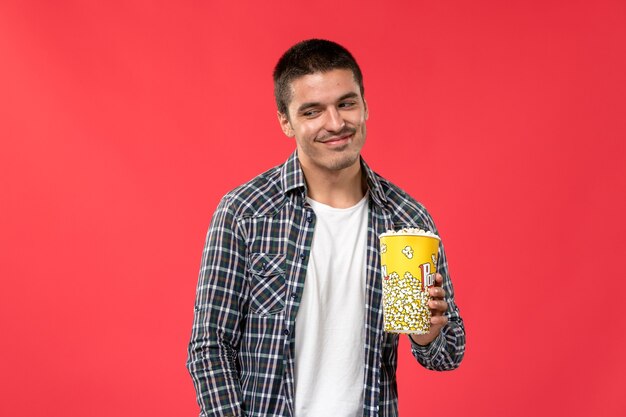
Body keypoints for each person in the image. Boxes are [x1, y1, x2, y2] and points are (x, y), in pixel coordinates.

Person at [187, 39, 465, 417]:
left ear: (365, 105)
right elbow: (210, 346)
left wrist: (426, 332)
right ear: (286, 121)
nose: (335, 124)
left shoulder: (406, 219)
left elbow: (447, 355)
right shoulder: (246, 212)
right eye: (312, 111)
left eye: (346, 103)